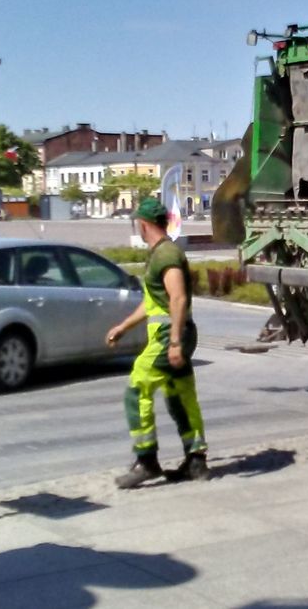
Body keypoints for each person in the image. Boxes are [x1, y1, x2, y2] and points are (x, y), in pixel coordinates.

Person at [105, 197, 209, 488]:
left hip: (168, 337)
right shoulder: (160, 253)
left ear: (144, 224)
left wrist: (174, 342)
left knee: (137, 390)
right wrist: (124, 326)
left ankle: (146, 461)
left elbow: (177, 298)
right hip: (176, 333)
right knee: (180, 395)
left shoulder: (166, 255)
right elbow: (154, 303)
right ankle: (196, 460)